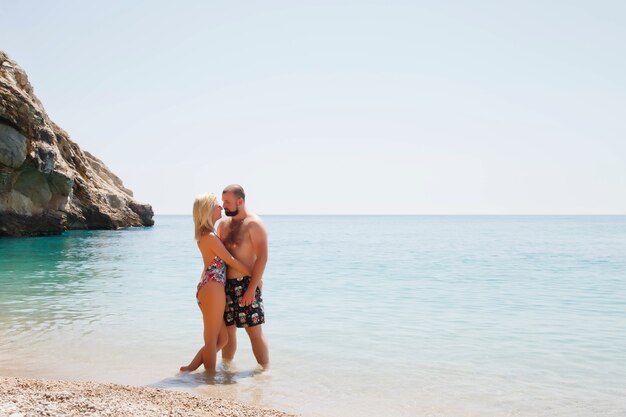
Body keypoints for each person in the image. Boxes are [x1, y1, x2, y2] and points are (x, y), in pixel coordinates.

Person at [180, 192, 251, 373]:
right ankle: (209, 379)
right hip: (212, 287)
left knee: (222, 340)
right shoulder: (209, 237)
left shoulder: (209, 234)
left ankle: (189, 369)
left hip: (211, 286)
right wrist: (255, 277)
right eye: (217, 205)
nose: (221, 207)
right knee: (212, 340)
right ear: (208, 210)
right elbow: (231, 261)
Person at [218, 184, 270, 368]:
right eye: (223, 201)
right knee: (228, 333)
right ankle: (226, 370)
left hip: (246, 284)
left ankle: (264, 373)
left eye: (227, 202)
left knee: (254, 333)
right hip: (225, 285)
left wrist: (252, 288)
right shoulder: (223, 225)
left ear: (240, 201)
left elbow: (262, 258)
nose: (223, 205)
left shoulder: (254, 224)